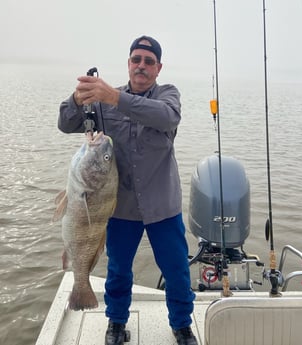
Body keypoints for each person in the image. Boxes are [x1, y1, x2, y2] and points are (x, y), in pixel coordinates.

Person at [58, 35, 197, 345]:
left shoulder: (166, 95)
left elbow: (166, 117)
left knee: (176, 271)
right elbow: (66, 124)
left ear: (159, 68)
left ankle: (182, 325)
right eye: (136, 59)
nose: (142, 66)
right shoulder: (105, 101)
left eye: (149, 61)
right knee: (119, 270)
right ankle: (117, 323)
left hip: (162, 206)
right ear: (129, 63)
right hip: (117, 206)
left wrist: (114, 98)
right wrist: (77, 99)